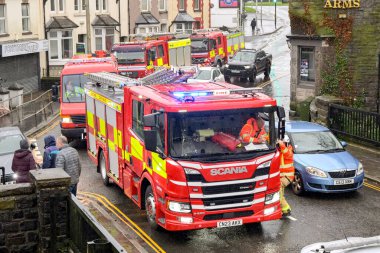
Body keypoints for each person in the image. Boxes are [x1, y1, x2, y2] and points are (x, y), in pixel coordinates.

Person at [278, 135, 295, 217]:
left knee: (278, 192)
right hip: (282, 176)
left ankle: (286, 210)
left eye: (284, 143)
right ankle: (284, 210)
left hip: (287, 176)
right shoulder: (281, 150)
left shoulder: (288, 150)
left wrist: (281, 144)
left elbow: (286, 153)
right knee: (281, 193)